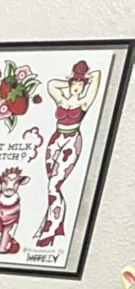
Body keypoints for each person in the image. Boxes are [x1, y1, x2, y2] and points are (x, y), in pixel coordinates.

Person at [36, 60, 101, 249]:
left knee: (54, 185)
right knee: (50, 183)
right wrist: (70, 80)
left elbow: (97, 76)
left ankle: (51, 227)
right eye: (75, 84)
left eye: (80, 85)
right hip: (56, 138)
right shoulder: (62, 99)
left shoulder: (84, 102)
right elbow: (51, 85)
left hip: (72, 140)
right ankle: (52, 222)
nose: (77, 87)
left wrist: (86, 78)